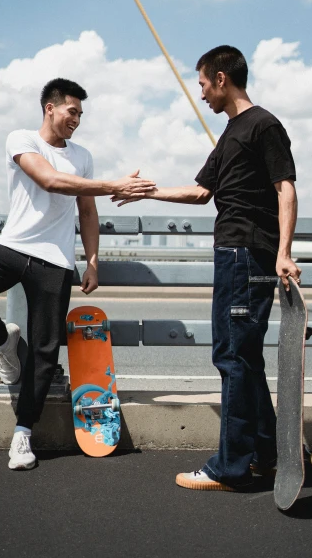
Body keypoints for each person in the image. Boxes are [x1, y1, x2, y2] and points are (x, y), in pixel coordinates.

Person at [112, 45, 301, 491]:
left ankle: (229, 468)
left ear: (220, 78)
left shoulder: (263, 125)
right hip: (234, 254)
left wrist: (284, 252)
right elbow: (201, 192)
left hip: (246, 254)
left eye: (201, 84)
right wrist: (147, 193)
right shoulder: (232, 133)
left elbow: (286, 189)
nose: (200, 95)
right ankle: (264, 455)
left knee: (231, 357)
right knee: (245, 358)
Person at [0, 77, 155, 470]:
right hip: (12, 246)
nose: (77, 119)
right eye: (72, 111)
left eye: (81, 113)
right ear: (50, 107)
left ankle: (23, 434)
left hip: (55, 261)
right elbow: (49, 180)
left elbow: (87, 210)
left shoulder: (82, 155)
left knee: (45, 350)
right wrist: (112, 184)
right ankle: (5, 342)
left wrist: (92, 260)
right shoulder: (22, 139)